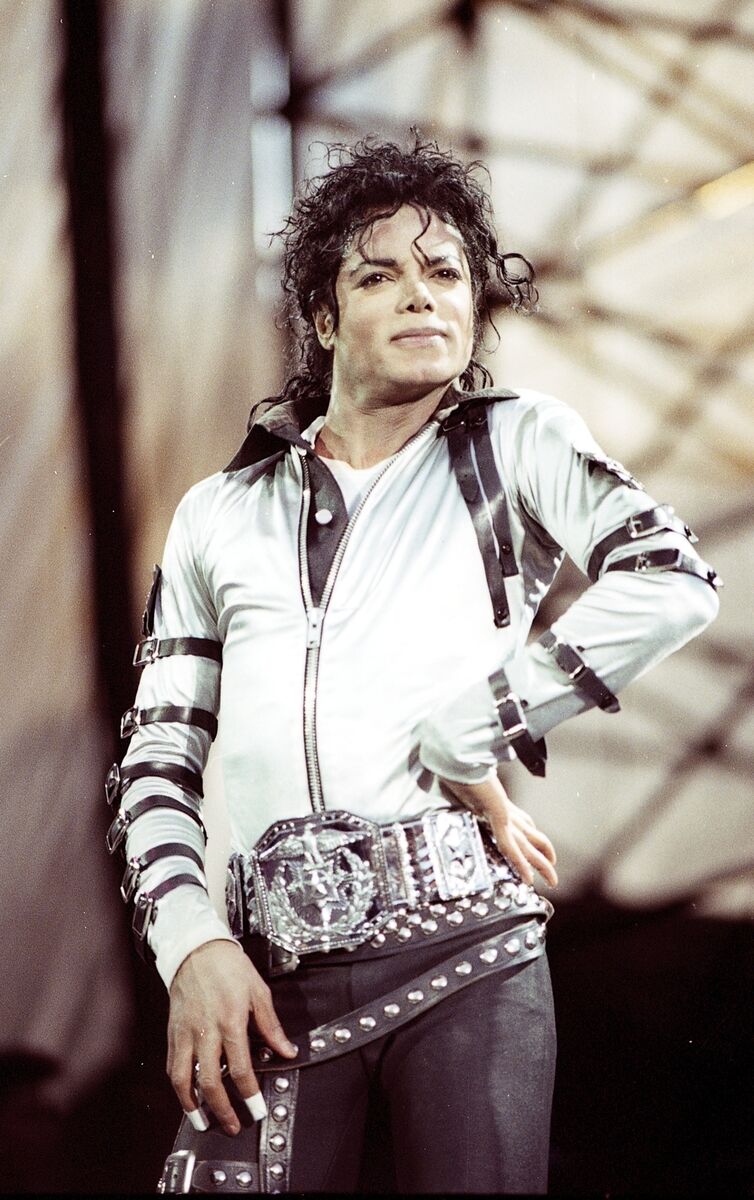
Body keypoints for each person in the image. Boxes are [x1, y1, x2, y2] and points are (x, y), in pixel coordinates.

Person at [106, 136, 719, 1195]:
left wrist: (472, 726)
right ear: (325, 318)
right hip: (261, 979)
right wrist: (191, 945)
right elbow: (155, 765)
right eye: (377, 274)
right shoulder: (218, 513)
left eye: (446, 275)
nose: (421, 297)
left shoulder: (514, 444)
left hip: (466, 955)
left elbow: (672, 577)